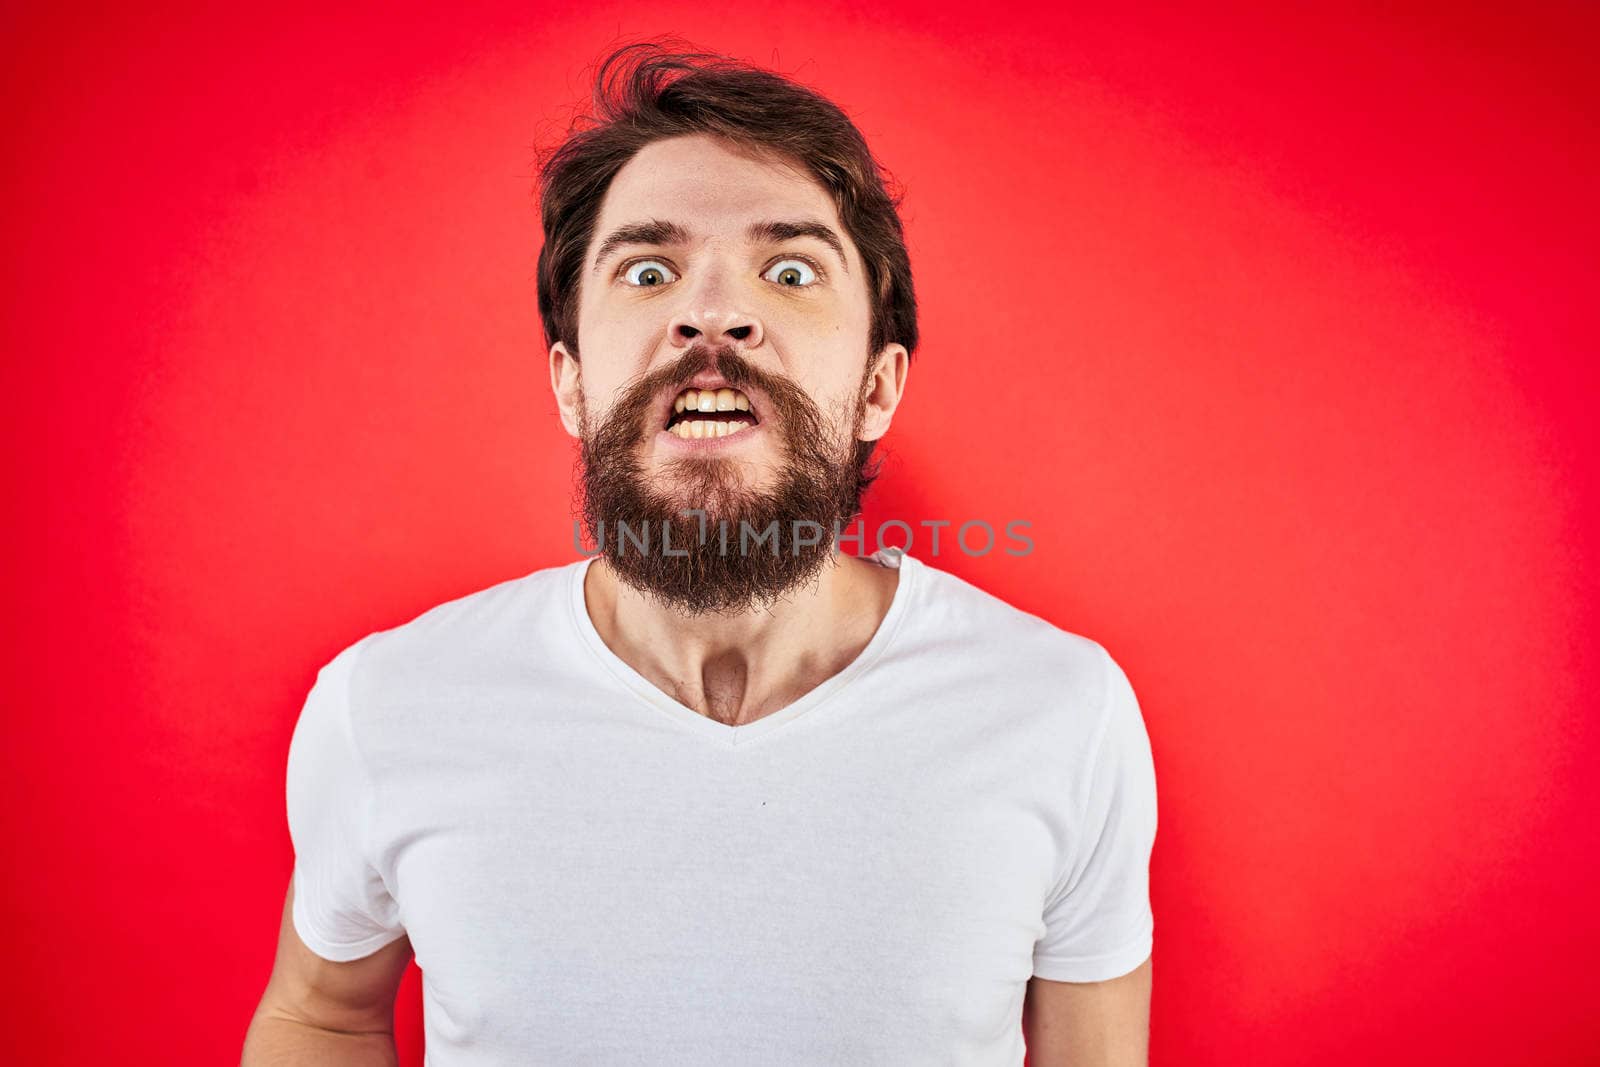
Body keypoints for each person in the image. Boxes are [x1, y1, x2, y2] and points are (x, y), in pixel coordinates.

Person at [243, 41, 1157, 1067]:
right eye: (648, 268)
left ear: (876, 388)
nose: (713, 312)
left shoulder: (1061, 710)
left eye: (789, 269)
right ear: (570, 383)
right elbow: (319, 1011)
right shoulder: (386, 702)